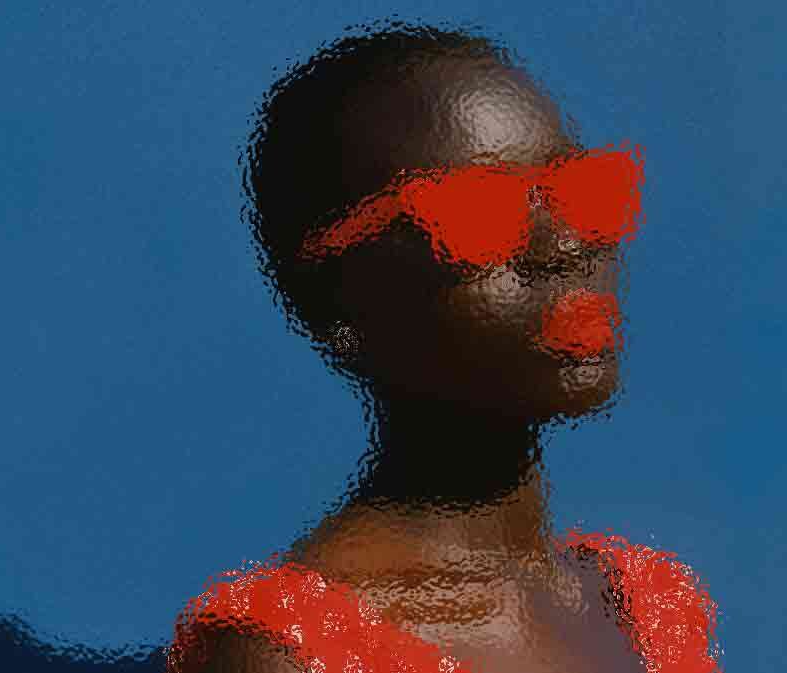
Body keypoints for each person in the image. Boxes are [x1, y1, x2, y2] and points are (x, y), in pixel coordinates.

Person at [166, 21, 719, 673]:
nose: (567, 246)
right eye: (482, 212)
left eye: (587, 192)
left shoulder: (652, 603)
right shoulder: (283, 654)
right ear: (334, 306)